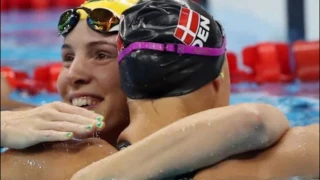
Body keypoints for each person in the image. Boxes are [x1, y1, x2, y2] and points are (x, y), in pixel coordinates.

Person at [1, 0, 318, 179]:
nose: (74, 74)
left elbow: (253, 120)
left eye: (102, 55)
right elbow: (256, 120)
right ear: (217, 83)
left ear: (131, 72)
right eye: (67, 57)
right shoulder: (35, 130)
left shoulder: (46, 163)